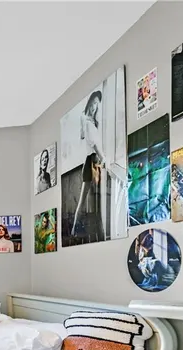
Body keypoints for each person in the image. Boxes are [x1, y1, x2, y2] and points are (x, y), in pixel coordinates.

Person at [72, 90, 106, 242]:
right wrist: (103, 157)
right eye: (93, 103)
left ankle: (78, 230)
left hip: (93, 161)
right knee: (85, 199)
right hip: (91, 161)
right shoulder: (87, 121)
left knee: (91, 199)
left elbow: (84, 137)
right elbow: (94, 144)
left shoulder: (88, 121)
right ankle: (75, 230)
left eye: (96, 105)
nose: (94, 107)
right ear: (89, 103)